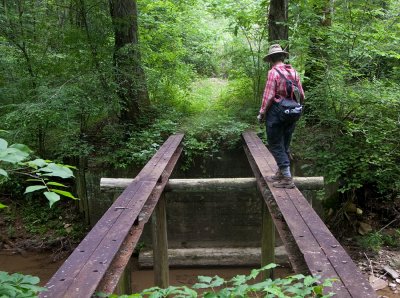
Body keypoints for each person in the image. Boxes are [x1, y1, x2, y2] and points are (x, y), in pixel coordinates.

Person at [257, 44, 305, 189]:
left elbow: (269, 96)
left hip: (276, 113)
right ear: (283, 57)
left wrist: (262, 113)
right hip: (292, 113)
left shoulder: (273, 72)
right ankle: (281, 172)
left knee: (276, 144)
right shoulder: (294, 72)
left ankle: (287, 178)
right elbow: (302, 95)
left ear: (271, 59)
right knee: (285, 143)